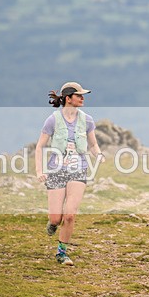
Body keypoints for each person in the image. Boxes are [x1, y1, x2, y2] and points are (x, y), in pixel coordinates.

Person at [34, 81, 104, 266]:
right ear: (68, 98)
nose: (82, 98)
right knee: (56, 217)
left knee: (70, 215)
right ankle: (53, 223)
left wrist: (98, 154)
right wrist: (39, 170)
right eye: (79, 95)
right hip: (56, 170)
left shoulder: (87, 120)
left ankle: (62, 253)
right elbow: (40, 146)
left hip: (78, 169)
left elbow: (93, 143)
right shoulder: (52, 120)